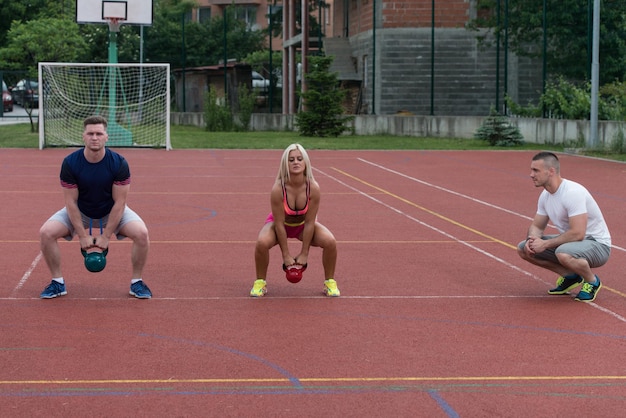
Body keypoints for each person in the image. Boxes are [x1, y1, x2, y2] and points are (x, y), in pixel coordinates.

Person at [39, 115, 152, 299]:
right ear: (83, 136)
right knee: (46, 233)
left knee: (142, 234)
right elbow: (70, 203)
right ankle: (57, 283)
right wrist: (83, 236)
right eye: (90, 133)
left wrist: (106, 236)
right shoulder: (70, 163)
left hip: (111, 211)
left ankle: (137, 283)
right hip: (80, 210)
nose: (94, 137)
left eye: (99, 133)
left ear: (106, 136)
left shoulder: (119, 163)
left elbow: (120, 203)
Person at [517, 152, 611, 302]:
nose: (531, 174)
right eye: (531, 170)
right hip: (573, 243)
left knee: (563, 253)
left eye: (536, 170)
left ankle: (592, 281)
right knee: (523, 248)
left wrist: (545, 244)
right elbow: (537, 225)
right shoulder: (545, 195)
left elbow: (578, 233)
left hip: (597, 244)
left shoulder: (572, 192)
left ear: (551, 171)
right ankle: (571, 277)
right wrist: (532, 239)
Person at [251, 143, 340, 297]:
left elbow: (310, 222)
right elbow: (279, 224)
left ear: (306, 162)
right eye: (291, 160)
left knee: (330, 241)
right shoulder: (278, 188)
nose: (296, 162)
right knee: (262, 243)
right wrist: (286, 255)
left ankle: (330, 283)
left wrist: (304, 253)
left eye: (299, 159)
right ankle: (260, 283)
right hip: (279, 225)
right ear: (285, 163)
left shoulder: (313, 187)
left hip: (303, 226)